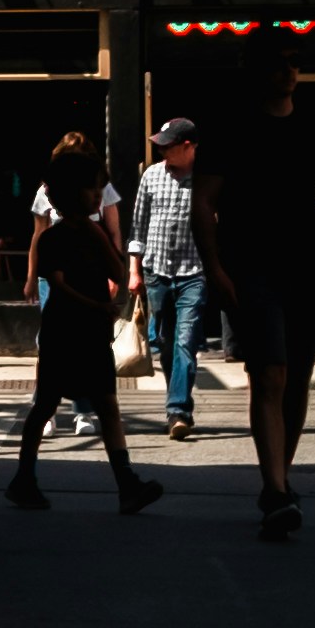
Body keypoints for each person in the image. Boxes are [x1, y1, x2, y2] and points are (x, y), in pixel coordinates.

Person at [192, 79, 315, 541]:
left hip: (307, 269)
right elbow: (204, 202)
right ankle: (274, 489)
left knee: (297, 378)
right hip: (252, 269)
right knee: (270, 374)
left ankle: (281, 478)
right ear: (250, 69)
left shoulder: (313, 128)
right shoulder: (231, 129)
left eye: (292, 61)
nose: (286, 70)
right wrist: (214, 267)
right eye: (274, 61)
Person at [5, 140, 164, 515]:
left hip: (93, 334)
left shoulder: (92, 234)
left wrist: (103, 244)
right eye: (93, 189)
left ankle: (126, 482)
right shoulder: (53, 238)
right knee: (45, 404)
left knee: (108, 404)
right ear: (72, 192)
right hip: (64, 332)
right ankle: (24, 477)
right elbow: (58, 284)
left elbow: (117, 272)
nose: (99, 196)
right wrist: (97, 305)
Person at [130, 120, 207, 438]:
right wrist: (134, 271)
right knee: (164, 342)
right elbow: (138, 226)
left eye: (168, 144)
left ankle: (178, 410)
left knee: (185, 342)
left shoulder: (205, 180)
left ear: (188, 146)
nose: (161, 149)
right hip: (156, 272)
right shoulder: (151, 175)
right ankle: (176, 403)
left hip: (194, 273)